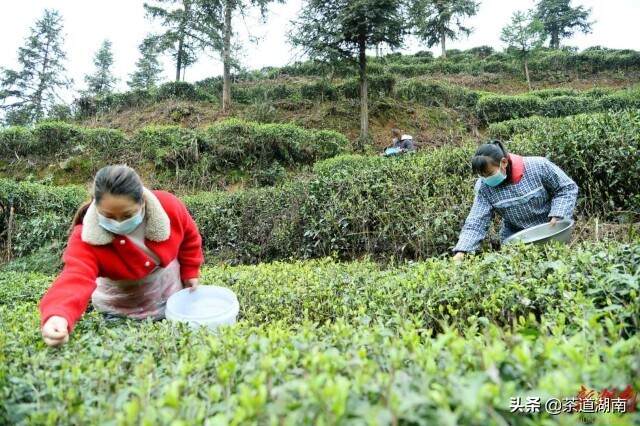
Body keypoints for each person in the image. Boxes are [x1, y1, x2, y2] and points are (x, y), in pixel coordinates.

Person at [39, 165, 204, 347]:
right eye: (108, 215)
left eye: (127, 215)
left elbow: (190, 236)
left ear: (141, 202)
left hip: (167, 291)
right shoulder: (86, 236)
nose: (118, 223)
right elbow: (75, 276)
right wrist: (58, 315)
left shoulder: (169, 207)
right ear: (96, 205)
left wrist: (190, 271)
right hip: (118, 306)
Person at [452, 140, 578, 261]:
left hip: (550, 228)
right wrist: (462, 251)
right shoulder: (484, 187)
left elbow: (566, 188)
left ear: (504, 162)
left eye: (489, 174)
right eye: (482, 176)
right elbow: (476, 221)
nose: (486, 179)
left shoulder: (538, 166)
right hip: (517, 237)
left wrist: (558, 214)